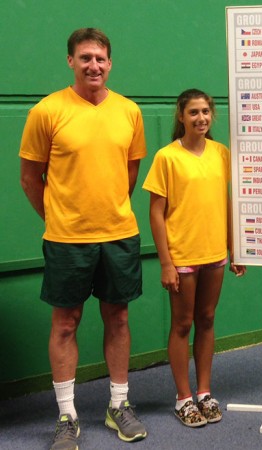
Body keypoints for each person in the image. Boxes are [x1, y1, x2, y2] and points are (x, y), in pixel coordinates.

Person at [18, 28, 148, 449]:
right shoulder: (46, 111)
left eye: (101, 58)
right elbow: (29, 177)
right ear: (71, 61)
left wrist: (107, 211)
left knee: (119, 319)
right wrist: (59, 216)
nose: (94, 65)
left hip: (119, 235)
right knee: (65, 324)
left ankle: (118, 405)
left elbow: (129, 174)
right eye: (85, 57)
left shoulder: (129, 111)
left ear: (110, 64)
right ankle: (67, 416)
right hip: (66, 239)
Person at [143, 88, 247, 428]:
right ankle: (183, 398)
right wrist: (166, 262)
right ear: (181, 116)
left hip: (215, 254)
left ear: (211, 115)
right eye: (193, 112)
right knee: (183, 324)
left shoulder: (221, 153)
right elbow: (156, 213)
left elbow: (228, 202)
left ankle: (204, 392)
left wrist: (236, 248)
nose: (200, 118)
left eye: (205, 112)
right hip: (182, 256)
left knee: (206, 319)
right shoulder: (167, 157)